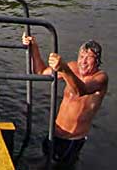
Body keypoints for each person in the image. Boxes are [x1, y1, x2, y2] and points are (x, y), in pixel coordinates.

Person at [22, 34, 108, 166]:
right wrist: (33, 47)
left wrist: (64, 69)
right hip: (55, 132)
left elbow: (81, 91)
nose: (83, 62)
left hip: (72, 139)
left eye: (89, 58)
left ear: (97, 61)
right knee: (43, 161)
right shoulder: (73, 67)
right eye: (81, 57)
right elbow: (41, 71)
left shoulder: (100, 78)